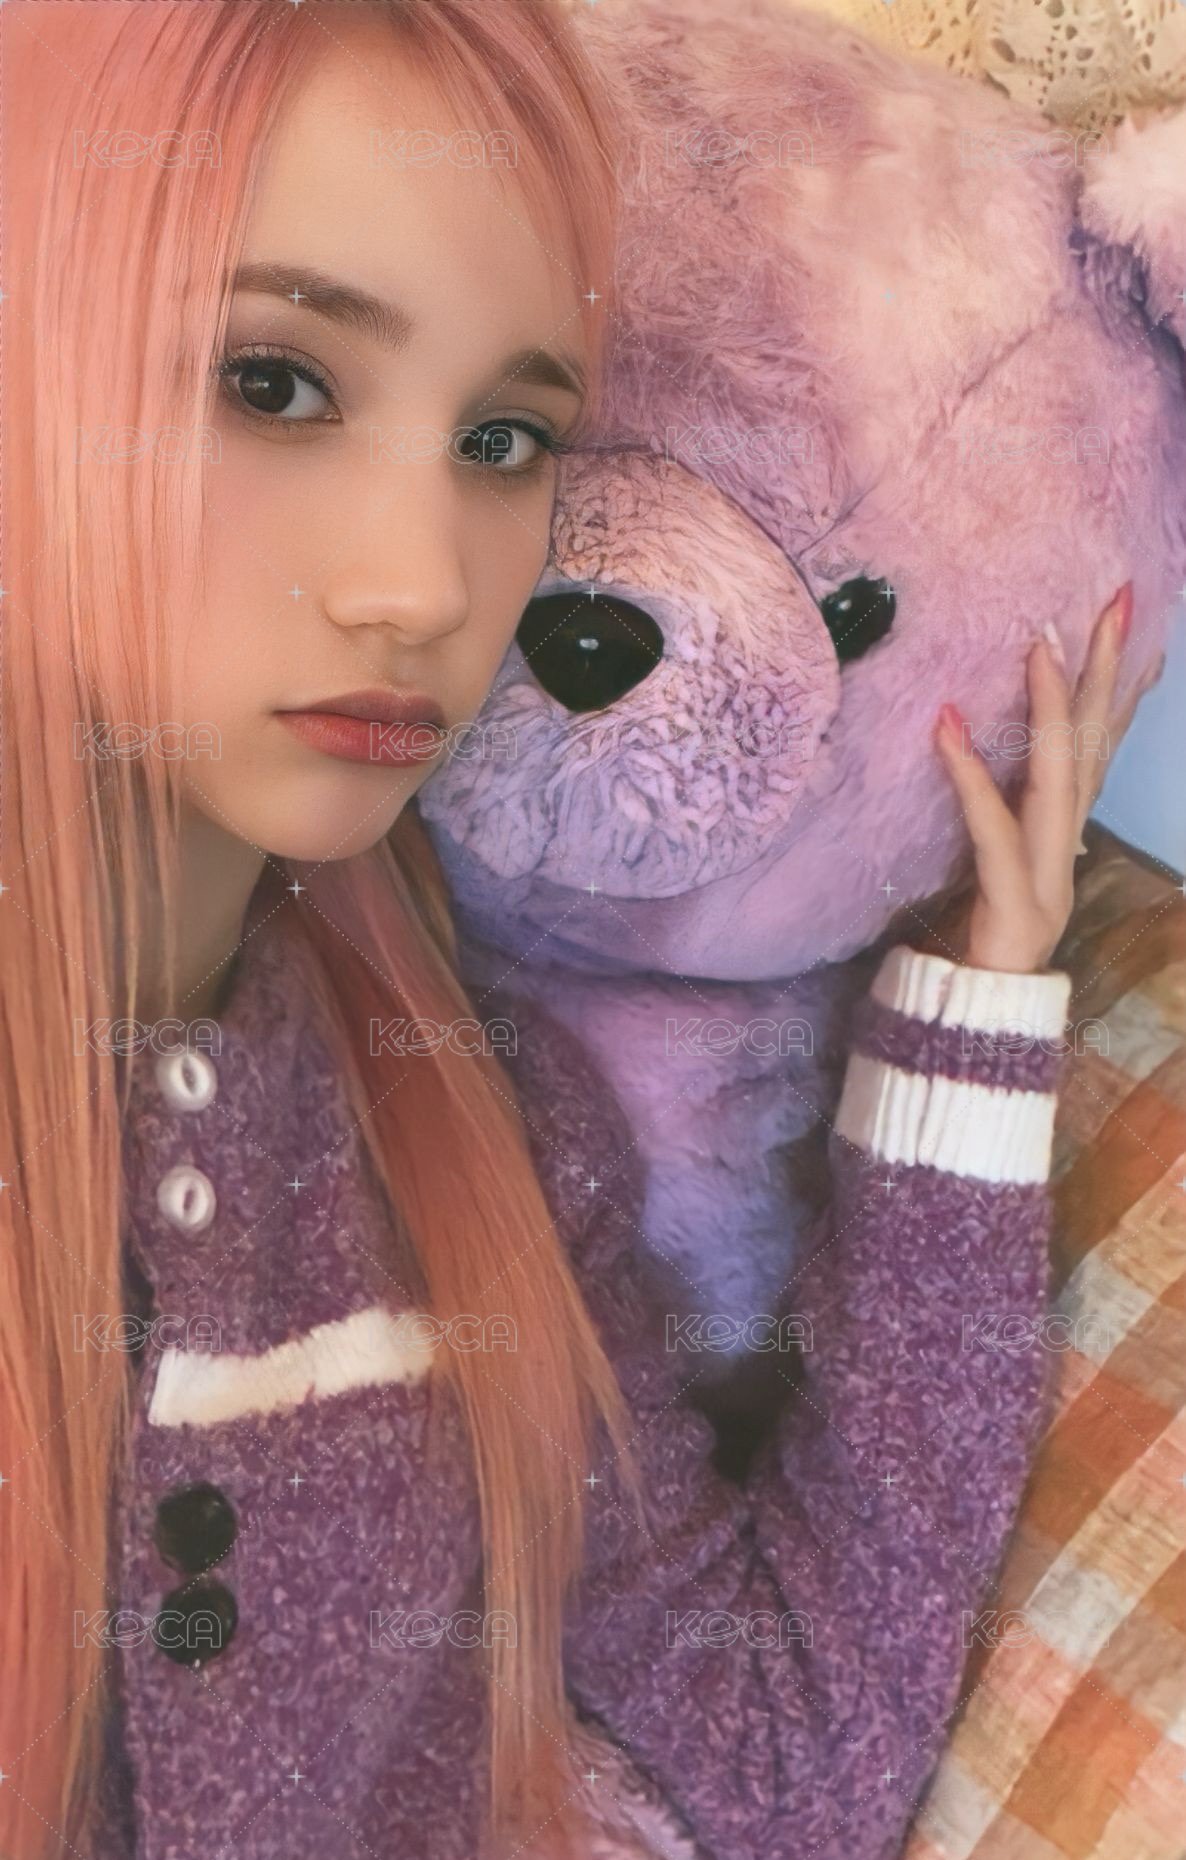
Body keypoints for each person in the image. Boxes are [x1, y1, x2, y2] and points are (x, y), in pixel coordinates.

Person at [0, 2, 1138, 1855]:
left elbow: (779, 1752)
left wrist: (972, 1007)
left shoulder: (479, 1131)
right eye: (271, 382)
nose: (420, 584)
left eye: (506, 436)